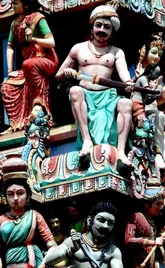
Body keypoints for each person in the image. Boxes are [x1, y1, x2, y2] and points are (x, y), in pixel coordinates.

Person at [54, 5, 134, 166]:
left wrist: (128, 83)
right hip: (85, 94)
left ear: (112, 31)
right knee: (75, 91)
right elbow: (58, 75)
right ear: (92, 26)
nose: (101, 30)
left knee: (126, 103)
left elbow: (124, 73)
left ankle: (120, 151)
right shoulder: (78, 48)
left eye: (107, 27)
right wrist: (68, 71)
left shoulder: (117, 52)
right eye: (98, 25)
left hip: (107, 97)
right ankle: (86, 140)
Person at [1, 0, 58, 131]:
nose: (12, 6)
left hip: (45, 59)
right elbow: (10, 46)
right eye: (12, 3)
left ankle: (40, 109)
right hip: (28, 65)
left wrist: (33, 39)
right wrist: (10, 70)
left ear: (25, 3)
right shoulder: (14, 24)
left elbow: (51, 42)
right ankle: (18, 124)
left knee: (28, 64)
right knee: (6, 86)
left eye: (16, 2)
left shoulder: (37, 18)